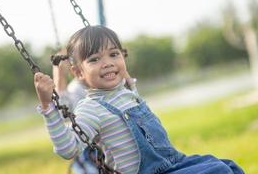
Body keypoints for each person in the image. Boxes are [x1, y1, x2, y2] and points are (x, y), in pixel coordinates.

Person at [34, 25, 244, 174]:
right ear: (78, 73)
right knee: (217, 171)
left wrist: (127, 79)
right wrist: (47, 106)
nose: (107, 63)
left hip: (173, 164)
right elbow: (68, 149)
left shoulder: (126, 92)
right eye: (95, 59)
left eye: (113, 55)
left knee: (228, 166)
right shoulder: (90, 109)